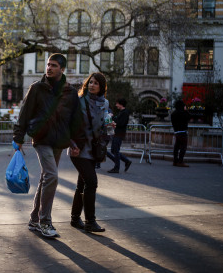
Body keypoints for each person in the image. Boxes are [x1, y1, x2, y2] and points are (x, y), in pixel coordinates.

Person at [13, 53, 81, 238]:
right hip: (42, 139)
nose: (49, 68)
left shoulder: (70, 92)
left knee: (46, 178)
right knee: (52, 175)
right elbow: (24, 113)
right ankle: (45, 221)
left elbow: (75, 120)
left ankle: (34, 219)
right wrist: (18, 138)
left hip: (59, 141)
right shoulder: (37, 88)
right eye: (48, 65)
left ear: (62, 69)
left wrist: (75, 142)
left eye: (54, 65)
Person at [68, 72, 110, 233]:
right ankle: (90, 221)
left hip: (94, 150)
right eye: (90, 82)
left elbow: (105, 126)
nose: (92, 85)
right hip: (78, 149)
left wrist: (109, 128)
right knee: (91, 182)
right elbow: (68, 124)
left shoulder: (105, 103)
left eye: (96, 83)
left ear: (101, 87)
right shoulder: (78, 101)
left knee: (82, 184)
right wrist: (72, 144)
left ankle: (74, 218)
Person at [107, 98, 133, 173]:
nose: (116, 105)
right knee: (113, 150)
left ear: (120, 104)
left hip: (119, 133)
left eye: (117, 103)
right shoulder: (122, 112)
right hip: (117, 133)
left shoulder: (124, 113)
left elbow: (121, 123)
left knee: (115, 150)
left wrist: (112, 118)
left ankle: (116, 168)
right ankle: (126, 161)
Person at [171, 99, 191, 167]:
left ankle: (175, 160)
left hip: (176, 132)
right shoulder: (183, 113)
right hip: (183, 132)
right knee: (183, 147)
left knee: (176, 147)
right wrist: (185, 110)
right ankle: (180, 161)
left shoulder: (173, 113)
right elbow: (189, 117)